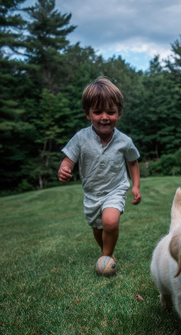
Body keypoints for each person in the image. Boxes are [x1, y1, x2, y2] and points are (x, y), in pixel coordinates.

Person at [58, 77, 141, 270]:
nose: (105, 117)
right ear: (87, 113)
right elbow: (68, 160)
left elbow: (133, 162)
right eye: (98, 112)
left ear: (119, 113)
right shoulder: (80, 138)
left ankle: (107, 257)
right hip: (92, 193)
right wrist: (65, 169)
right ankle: (105, 251)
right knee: (98, 228)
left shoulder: (125, 141)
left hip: (116, 189)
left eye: (111, 112)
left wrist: (135, 185)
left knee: (110, 222)